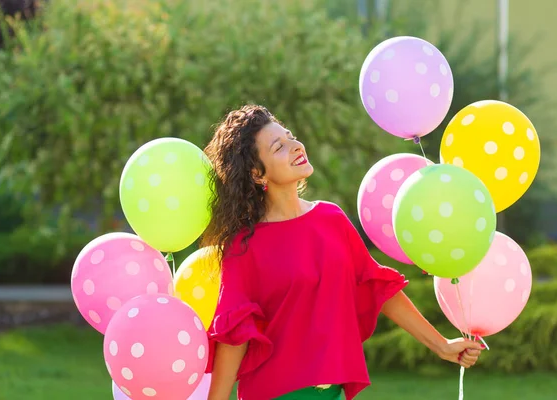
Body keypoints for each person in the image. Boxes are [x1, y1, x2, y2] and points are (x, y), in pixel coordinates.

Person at [201, 105, 483, 400]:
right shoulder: (245, 245)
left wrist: (442, 346)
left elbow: (378, 288)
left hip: (332, 391)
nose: (296, 146)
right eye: (279, 146)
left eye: (291, 137)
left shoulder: (331, 219)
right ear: (257, 173)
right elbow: (234, 336)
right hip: (276, 394)